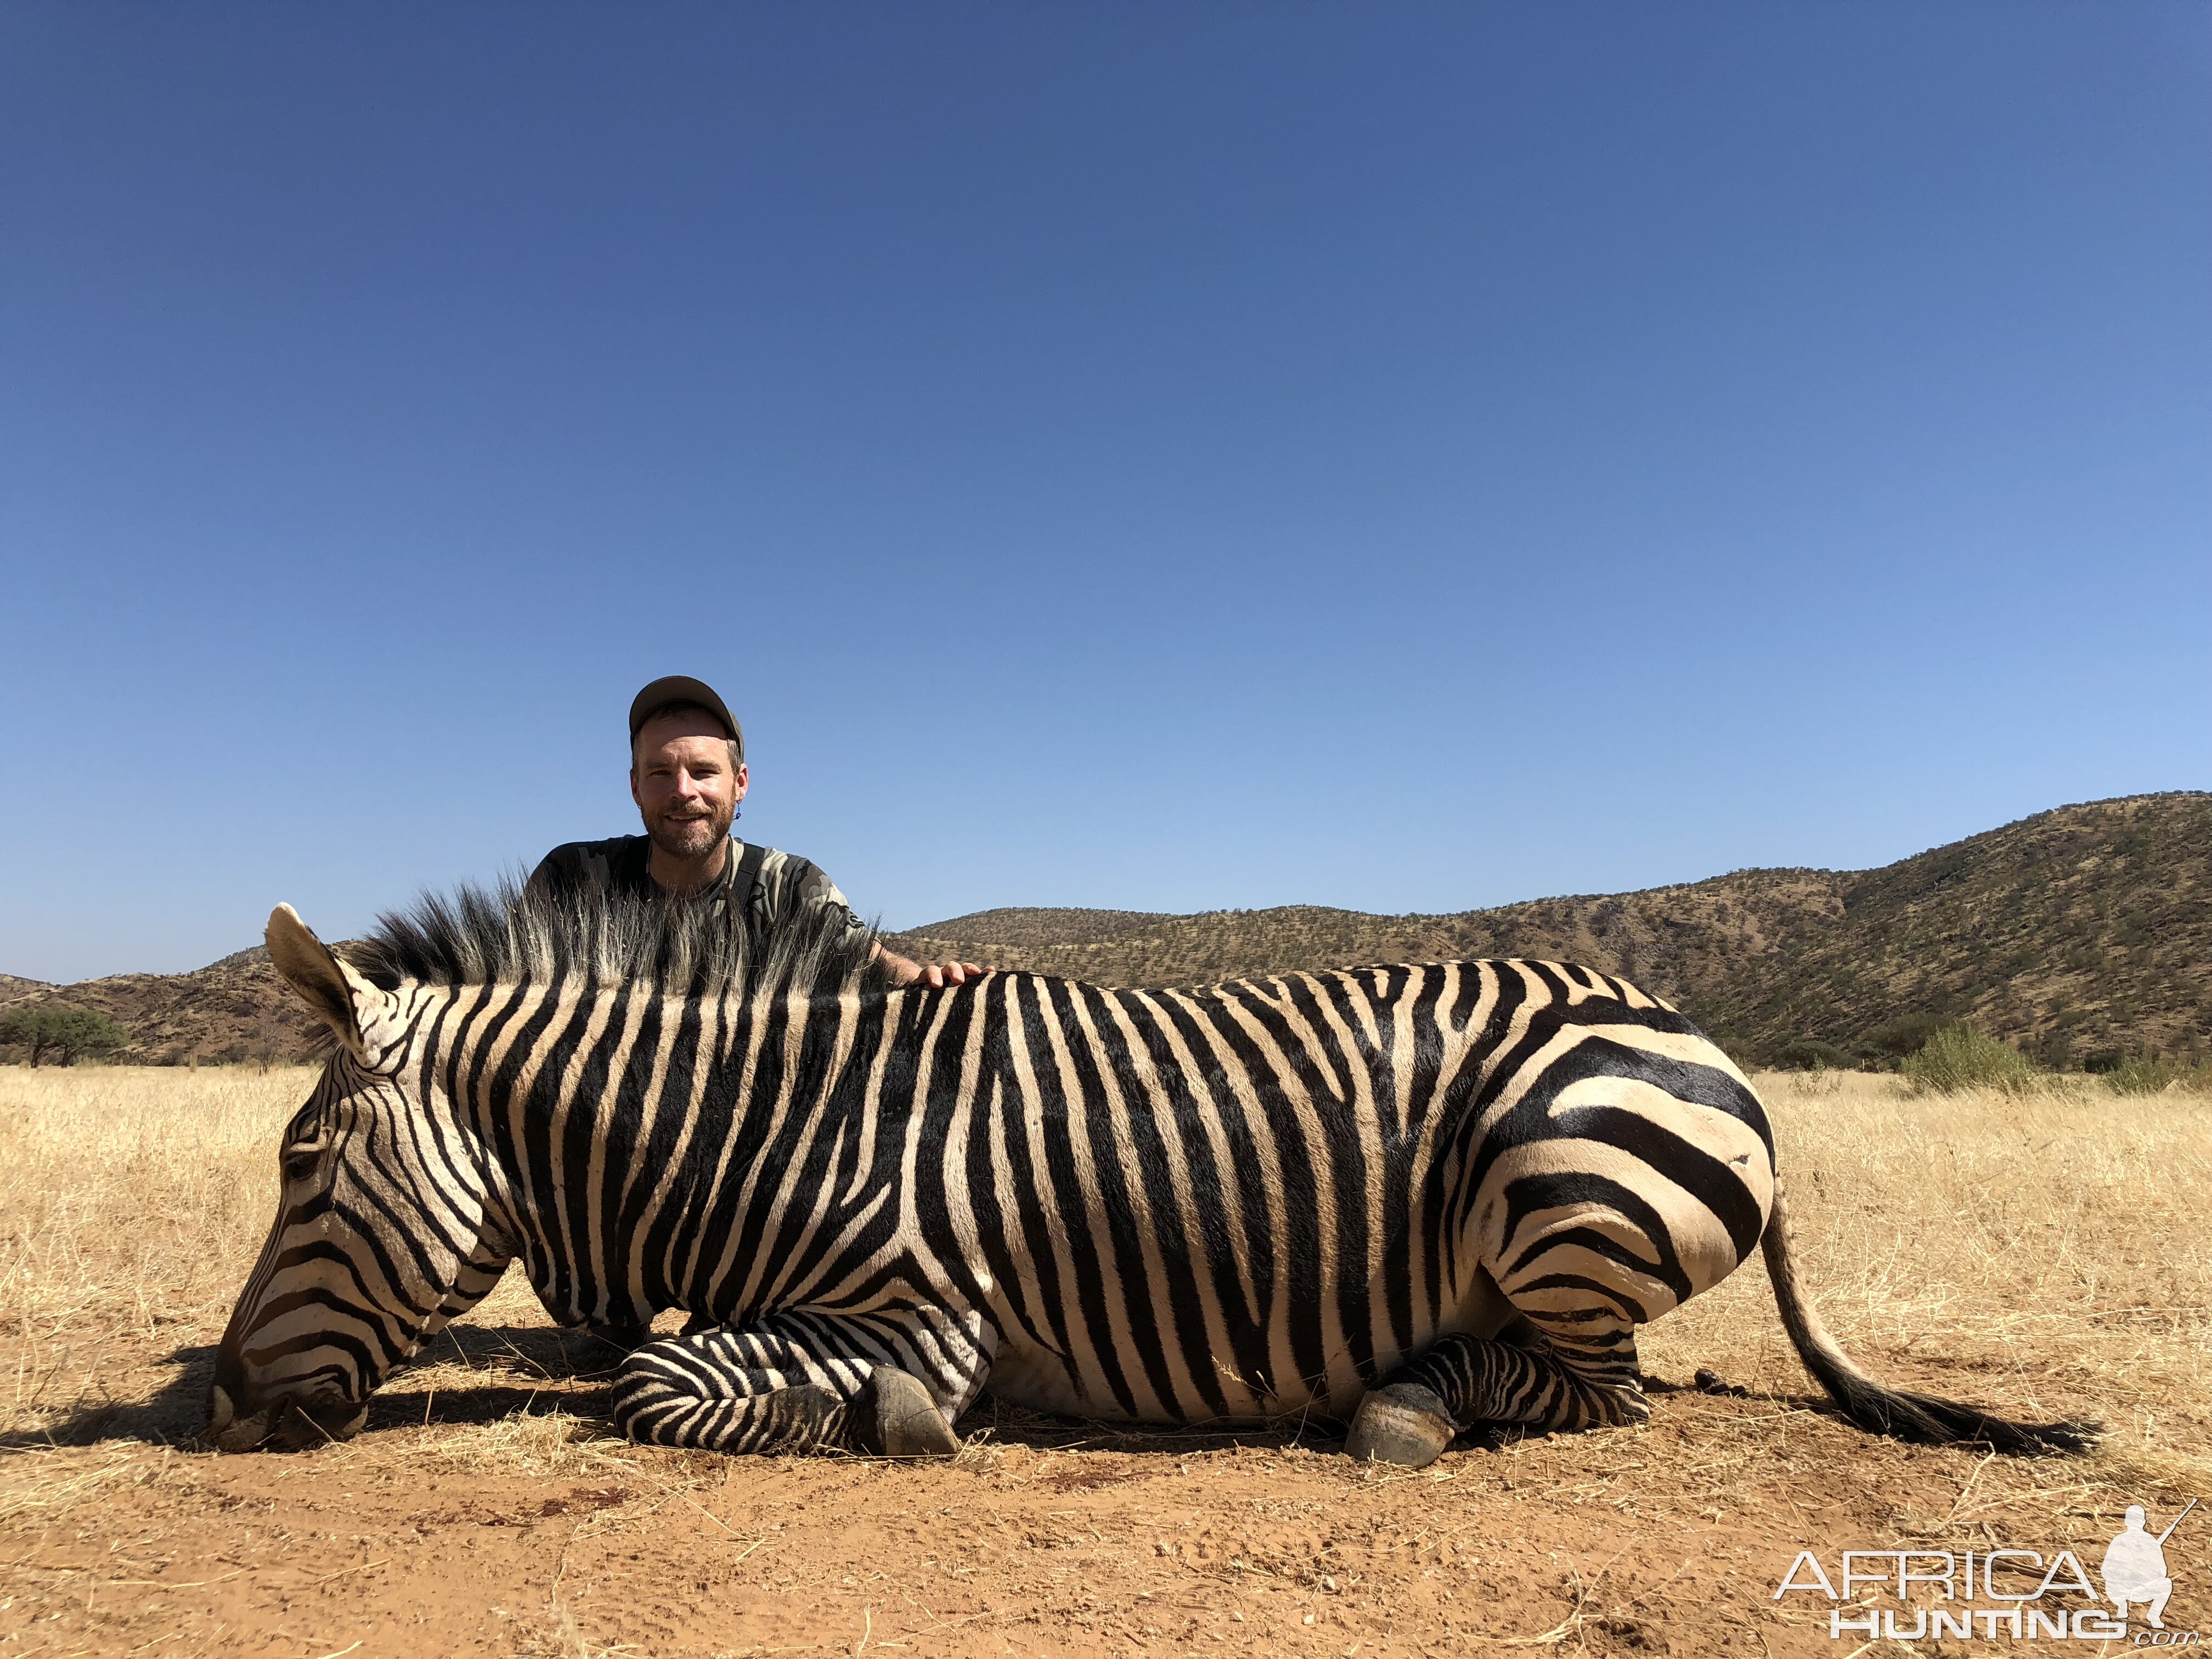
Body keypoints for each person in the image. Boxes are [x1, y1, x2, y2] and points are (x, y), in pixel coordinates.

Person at [530, 675, 979, 988]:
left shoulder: (791, 886)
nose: (683, 791)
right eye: (660, 772)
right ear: (635, 787)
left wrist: (928, 977)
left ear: (740, 783)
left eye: (704, 772)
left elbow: (872, 961)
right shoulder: (570, 878)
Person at [2101, 1505, 2174, 1629]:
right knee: (2166, 1584)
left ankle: (2153, 1615)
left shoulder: (2149, 1541)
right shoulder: (2120, 1540)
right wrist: (2125, 1572)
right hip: (2121, 1589)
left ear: (2126, 1522)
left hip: (2140, 1589)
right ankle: (2122, 1606)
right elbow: (2106, 1570)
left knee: (2166, 1583)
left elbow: (2162, 1571)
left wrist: (2144, 1571)